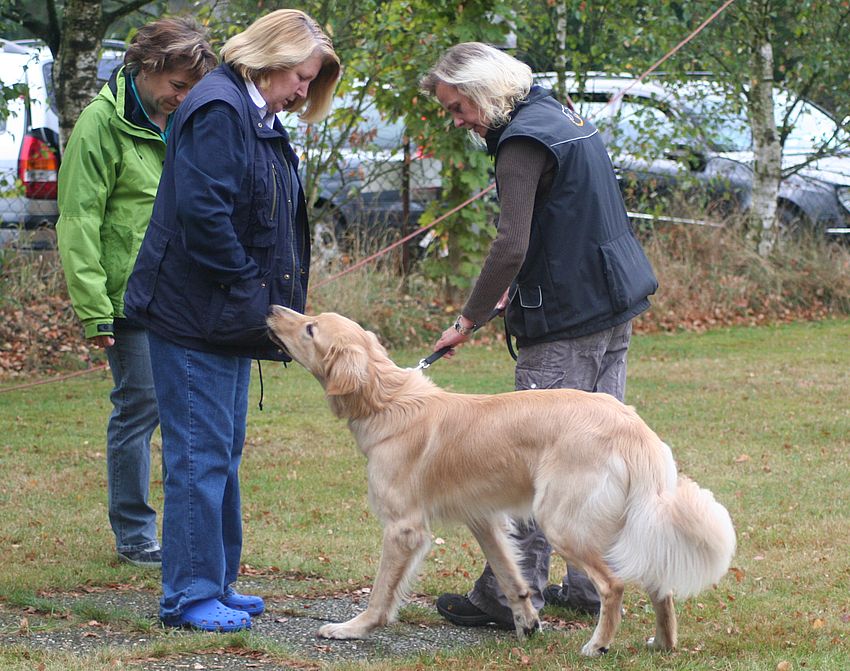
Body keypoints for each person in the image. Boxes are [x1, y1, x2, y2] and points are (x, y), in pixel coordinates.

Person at [420, 42, 658, 628]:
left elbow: (511, 244)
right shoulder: (559, 114)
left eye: (458, 108)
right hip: (611, 303)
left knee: (533, 461)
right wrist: (516, 287)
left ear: (483, 92)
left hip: (567, 320)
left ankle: (510, 597)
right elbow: (569, 219)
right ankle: (589, 585)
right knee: (594, 459)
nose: (458, 122)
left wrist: (467, 319)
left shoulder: (522, 143)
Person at [123, 9, 340, 632]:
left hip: (225, 315)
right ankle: (189, 595)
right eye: (300, 76)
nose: (303, 90)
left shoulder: (252, 113)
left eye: (310, 80)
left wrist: (257, 300)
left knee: (220, 451)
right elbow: (205, 216)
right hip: (195, 315)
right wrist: (253, 292)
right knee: (199, 456)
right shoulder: (220, 109)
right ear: (270, 59)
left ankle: (216, 581)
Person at [56, 17, 216, 569]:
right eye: (177, 85)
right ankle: (134, 533)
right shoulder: (98, 125)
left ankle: (187, 531)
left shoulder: (187, 117)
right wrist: (94, 310)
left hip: (183, 294)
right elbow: (78, 221)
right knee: (140, 408)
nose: (184, 96)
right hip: (128, 299)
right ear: (146, 67)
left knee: (189, 413)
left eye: (192, 87)